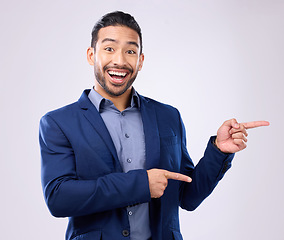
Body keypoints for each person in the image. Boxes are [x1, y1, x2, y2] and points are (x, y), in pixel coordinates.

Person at [39, 11, 269, 240]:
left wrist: (218, 151)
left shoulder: (168, 116)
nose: (119, 60)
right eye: (109, 48)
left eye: (130, 51)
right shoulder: (59, 122)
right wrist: (141, 184)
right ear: (91, 55)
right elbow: (59, 199)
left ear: (140, 61)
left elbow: (187, 197)